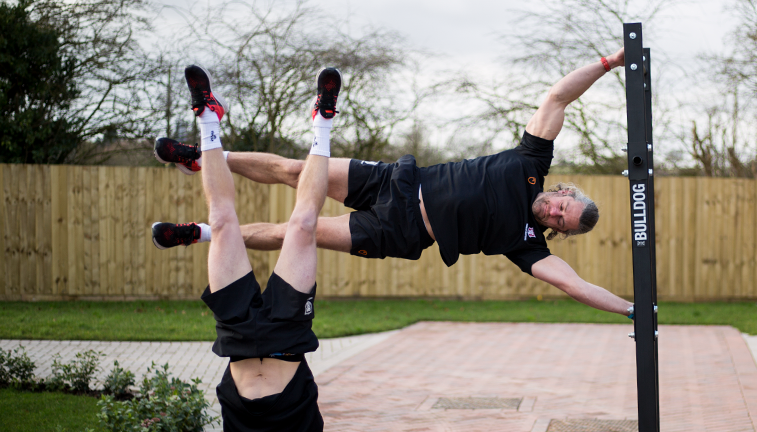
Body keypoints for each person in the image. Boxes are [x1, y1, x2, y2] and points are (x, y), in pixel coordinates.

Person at [152, 49, 635, 318]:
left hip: (398, 233)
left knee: (294, 232)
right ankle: (208, 157)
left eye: (560, 224)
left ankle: (200, 233)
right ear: (564, 192)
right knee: (298, 171)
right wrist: (611, 62)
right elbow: (557, 97)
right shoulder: (531, 161)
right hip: (397, 182)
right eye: (560, 208)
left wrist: (633, 311)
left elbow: (577, 286)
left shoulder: (528, 245)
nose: (553, 215)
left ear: (561, 233)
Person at [187, 62, 363, 432]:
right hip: (286, 334)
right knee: (304, 225)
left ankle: (207, 118)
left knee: (223, 223)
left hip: (239, 334)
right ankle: (322, 122)